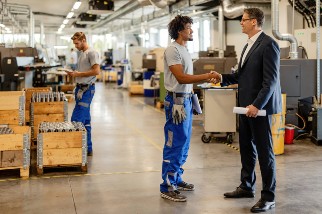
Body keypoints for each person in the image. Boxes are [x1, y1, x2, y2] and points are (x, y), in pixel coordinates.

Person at [211, 8, 281, 213]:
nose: (240, 23)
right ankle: (246, 186)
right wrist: (221, 78)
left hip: (258, 109)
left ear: (254, 22)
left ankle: (268, 197)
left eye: (243, 20)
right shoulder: (248, 45)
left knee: (265, 152)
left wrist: (257, 105)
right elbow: (242, 76)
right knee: (246, 149)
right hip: (245, 108)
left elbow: (270, 82)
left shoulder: (269, 45)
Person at [160, 15, 219, 202]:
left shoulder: (185, 49)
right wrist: (206, 76)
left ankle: (176, 178)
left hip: (185, 100)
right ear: (179, 31)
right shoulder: (172, 50)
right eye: (189, 28)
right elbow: (181, 78)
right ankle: (167, 186)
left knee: (184, 143)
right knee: (174, 143)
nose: (192, 31)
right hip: (176, 102)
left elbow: (187, 81)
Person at [66, 32, 100, 156]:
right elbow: (84, 71)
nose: (75, 46)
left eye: (77, 43)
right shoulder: (82, 54)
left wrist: (78, 74)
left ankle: (77, 151)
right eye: (74, 43)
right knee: (85, 120)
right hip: (80, 89)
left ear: (83, 40)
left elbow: (96, 71)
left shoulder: (92, 53)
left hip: (87, 90)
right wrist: (75, 73)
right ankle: (88, 148)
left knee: (76, 119)